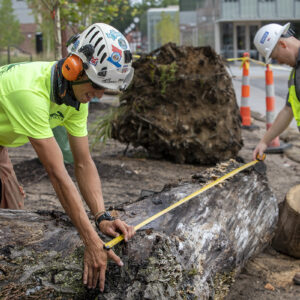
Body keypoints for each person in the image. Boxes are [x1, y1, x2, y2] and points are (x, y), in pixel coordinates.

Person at [0, 23, 135, 291]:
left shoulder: (74, 98)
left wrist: (101, 217)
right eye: (97, 86)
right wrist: (91, 241)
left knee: (12, 220)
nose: (98, 96)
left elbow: (83, 163)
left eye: (104, 90)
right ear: (73, 67)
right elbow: (57, 173)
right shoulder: (29, 92)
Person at [253, 22, 300, 285]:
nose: (277, 62)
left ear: (282, 44)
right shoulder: (296, 74)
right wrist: (264, 141)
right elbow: (289, 110)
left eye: (275, 57)